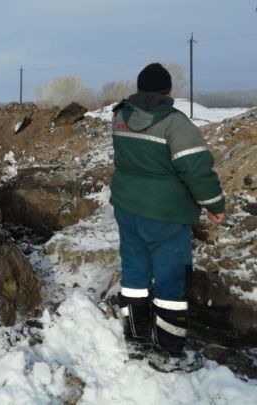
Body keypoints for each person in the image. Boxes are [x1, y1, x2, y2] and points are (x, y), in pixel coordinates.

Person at [110, 62, 226, 372]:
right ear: (168, 90)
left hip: (127, 207)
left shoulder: (120, 116)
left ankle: (136, 339)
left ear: (139, 88)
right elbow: (197, 170)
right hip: (165, 213)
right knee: (171, 282)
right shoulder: (176, 123)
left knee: (134, 271)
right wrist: (215, 204)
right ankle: (167, 352)